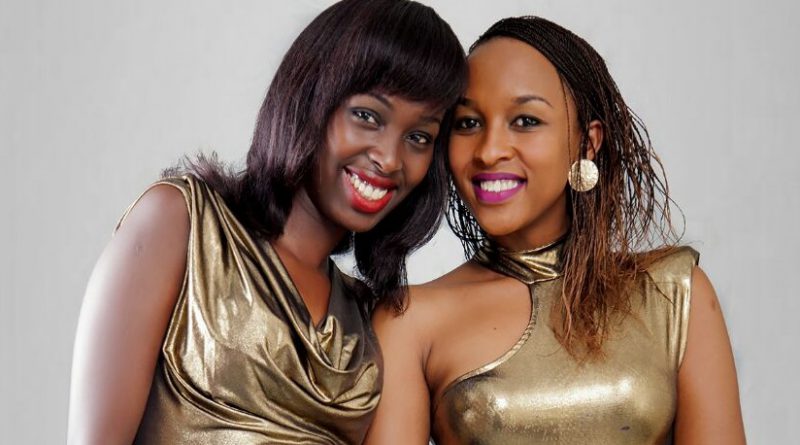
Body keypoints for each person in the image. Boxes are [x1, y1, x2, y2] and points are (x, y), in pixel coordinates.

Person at [66, 1, 466, 443]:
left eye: (418, 137)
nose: (389, 158)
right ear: (311, 96)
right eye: (367, 116)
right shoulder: (181, 224)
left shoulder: (368, 323)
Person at [366, 16, 745, 445]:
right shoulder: (409, 320)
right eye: (468, 123)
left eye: (526, 121)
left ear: (587, 143)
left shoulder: (674, 295)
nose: (489, 151)